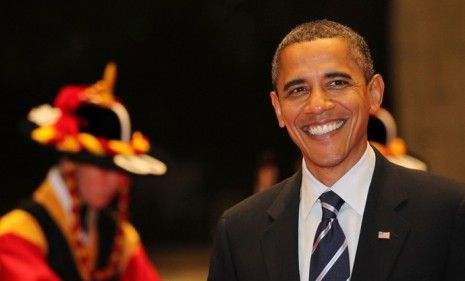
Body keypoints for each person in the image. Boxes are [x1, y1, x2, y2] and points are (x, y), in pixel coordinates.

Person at [207, 19, 465, 281]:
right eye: (298, 90)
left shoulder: (447, 214)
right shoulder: (239, 233)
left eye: (337, 83)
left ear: (374, 93)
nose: (317, 105)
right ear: (278, 108)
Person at [0, 62, 167, 281]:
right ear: (70, 163)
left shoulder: (121, 239)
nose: (113, 180)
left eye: (119, 170)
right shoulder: (15, 235)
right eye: (101, 168)